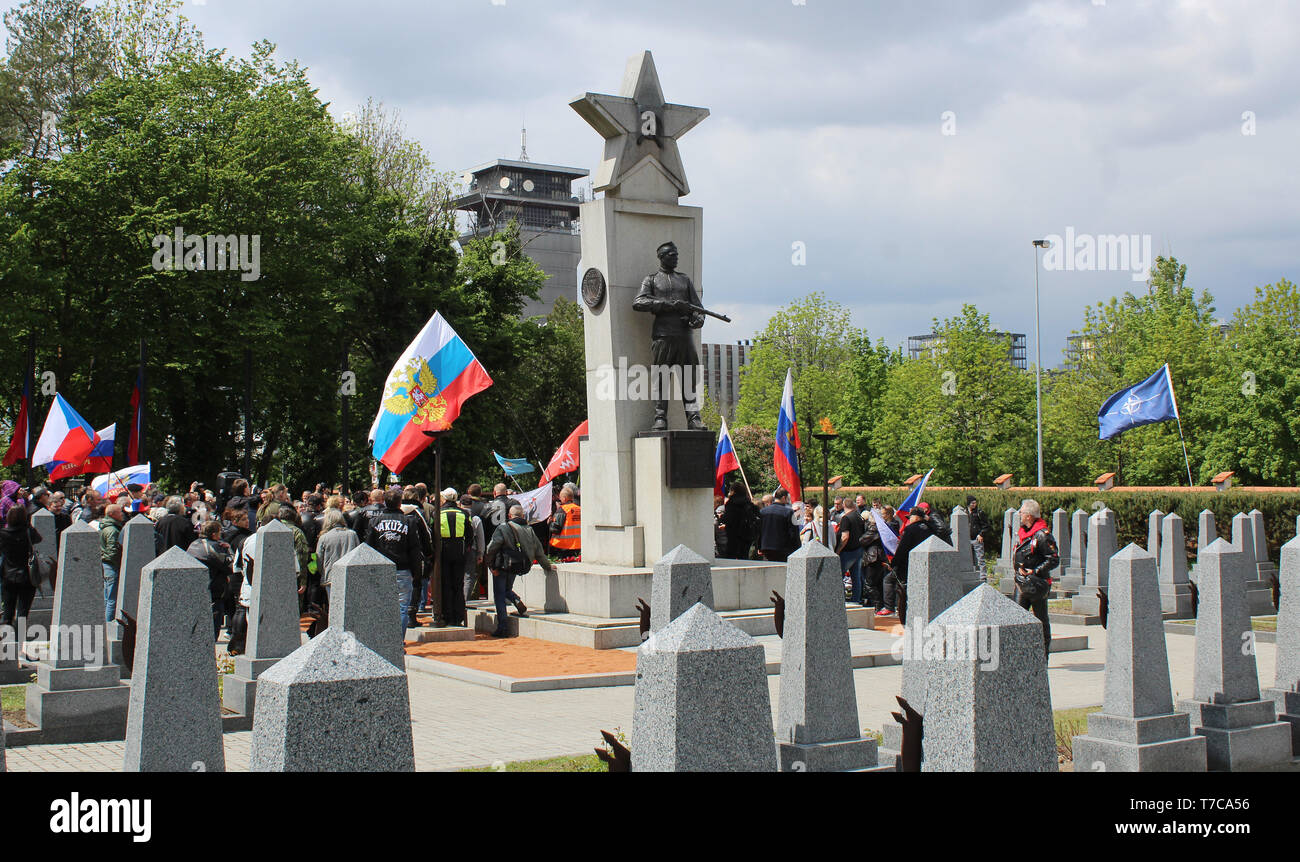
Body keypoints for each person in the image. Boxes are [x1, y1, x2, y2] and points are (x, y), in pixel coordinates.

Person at [632, 240, 708, 431]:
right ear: (662, 257)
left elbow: (698, 309)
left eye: (676, 255)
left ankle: (693, 418)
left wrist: (697, 319)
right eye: (672, 255)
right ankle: (660, 418)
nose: (676, 258)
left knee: (688, 379)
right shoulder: (651, 280)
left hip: (684, 336)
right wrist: (668, 305)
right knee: (661, 378)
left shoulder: (684, 280)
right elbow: (639, 302)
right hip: (663, 336)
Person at [484, 505, 555, 638]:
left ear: (509, 516)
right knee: (507, 589)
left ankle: (503, 627)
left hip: (502, 566)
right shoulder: (529, 529)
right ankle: (515, 600)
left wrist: (490, 565)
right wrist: (547, 566)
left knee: (499, 595)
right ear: (522, 516)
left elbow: (491, 548)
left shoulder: (503, 528)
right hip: (517, 566)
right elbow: (539, 550)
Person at [365, 486, 425, 640]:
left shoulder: (374, 521)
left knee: (381, 606)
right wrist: (417, 572)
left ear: (385, 502)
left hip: (381, 569)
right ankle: (397, 642)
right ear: (400, 504)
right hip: (403, 569)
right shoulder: (409, 521)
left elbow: (368, 547)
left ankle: (384, 641)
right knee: (402, 608)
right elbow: (414, 549)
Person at [1013, 499, 1059, 658]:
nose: (1019, 514)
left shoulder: (1042, 535)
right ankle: (1018, 655)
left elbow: (1053, 559)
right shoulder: (1023, 533)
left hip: (1037, 584)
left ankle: (1044, 656)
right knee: (1015, 618)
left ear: (1029, 516)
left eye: (1022, 512)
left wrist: (1035, 571)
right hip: (1021, 583)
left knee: (1041, 620)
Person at [878, 508, 931, 618]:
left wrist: (893, 564)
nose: (909, 519)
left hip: (907, 565)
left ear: (916, 517)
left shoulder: (910, 529)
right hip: (926, 565)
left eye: (910, 517)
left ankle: (890, 608)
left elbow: (902, 549)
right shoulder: (930, 528)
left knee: (890, 581)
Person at [187, 521, 234, 642]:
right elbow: (230, 566)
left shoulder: (192, 545)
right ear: (214, 534)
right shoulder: (215, 547)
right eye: (219, 533)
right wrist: (229, 550)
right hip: (214, 589)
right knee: (213, 627)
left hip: (195, 588)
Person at [0, 504, 41, 627]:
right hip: (27, 575)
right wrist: (28, 525)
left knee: (8, 609)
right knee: (23, 611)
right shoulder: (28, 532)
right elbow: (39, 539)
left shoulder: (3, 533)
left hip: (8, 575)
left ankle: (7, 637)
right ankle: (20, 638)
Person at [437, 489, 471, 627]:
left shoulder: (437, 513)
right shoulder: (464, 513)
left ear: (444, 499)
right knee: (458, 584)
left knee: (445, 584)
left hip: (443, 552)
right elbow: (470, 535)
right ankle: (458, 616)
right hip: (460, 551)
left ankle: (447, 615)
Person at [315, 507, 359, 602]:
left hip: (331, 575)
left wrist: (323, 572)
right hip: (350, 575)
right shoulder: (352, 534)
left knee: (334, 604)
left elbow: (319, 559)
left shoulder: (324, 537)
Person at [836, 498, 867, 605]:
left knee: (839, 576)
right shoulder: (859, 516)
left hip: (847, 551)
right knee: (856, 577)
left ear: (844, 506)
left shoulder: (846, 518)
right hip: (858, 550)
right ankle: (856, 599)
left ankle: (840, 600)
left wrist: (838, 550)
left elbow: (845, 537)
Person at [99, 504, 125, 623]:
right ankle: (108, 626)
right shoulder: (112, 530)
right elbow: (112, 551)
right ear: (111, 514)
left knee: (107, 598)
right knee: (112, 599)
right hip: (112, 566)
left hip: (106, 565)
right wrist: (120, 564)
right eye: (119, 512)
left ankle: (105, 623)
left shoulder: (106, 527)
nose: (122, 514)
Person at [758, 489, 798, 562]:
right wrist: (796, 548)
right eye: (787, 499)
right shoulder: (789, 512)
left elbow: (759, 531)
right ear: (783, 498)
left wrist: (759, 546)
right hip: (782, 549)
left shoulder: (763, 511)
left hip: (766, 548)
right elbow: (793, 532)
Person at [721, 482, 757, 560]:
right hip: (747, 534)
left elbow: (729, 518)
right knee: (744, 556)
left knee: (731, 555)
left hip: (733, 534)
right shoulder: (748, 503)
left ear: (733, 491)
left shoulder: (731, 503)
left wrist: (722, 518)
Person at [549, 485, 581, 559]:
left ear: (564, 498)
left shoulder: (562, 510)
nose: (560, 499)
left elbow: (555, 529)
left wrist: (550, 523)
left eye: (560, 497)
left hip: (564, 546)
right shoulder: (579, 509)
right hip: (578, 545)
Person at [967, 495, 990, 574]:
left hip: (977, 539)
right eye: (972, 503)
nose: (974, 505)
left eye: (975, 503)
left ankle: (983, 577)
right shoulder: (965, 512)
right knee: (969, 561)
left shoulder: (979, 512)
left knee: (980, 560)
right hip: (967, 539)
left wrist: (981, 534)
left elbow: (986, 526)